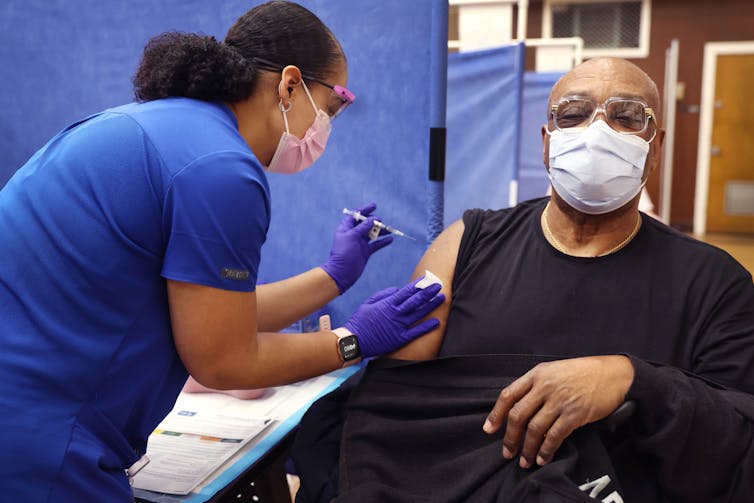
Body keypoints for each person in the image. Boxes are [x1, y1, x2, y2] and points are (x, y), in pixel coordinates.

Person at [0, 1, 444, 500]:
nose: (327, 128)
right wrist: (352, 341)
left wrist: (334, 276)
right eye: (333, 106)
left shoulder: (157, 128)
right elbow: (225, 359)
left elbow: (215, 315)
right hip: (41, 447)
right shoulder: (220, 168)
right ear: (290, 85)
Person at [293, 57, 754, 502]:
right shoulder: (467, 243)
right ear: (546, 141)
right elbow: (400, 410)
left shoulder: (715, 285)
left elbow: (735, 441)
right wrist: (348, 337)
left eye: (627, 116)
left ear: (655, 145)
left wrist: (631, 380)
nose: (598, 133)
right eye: (573, 114)